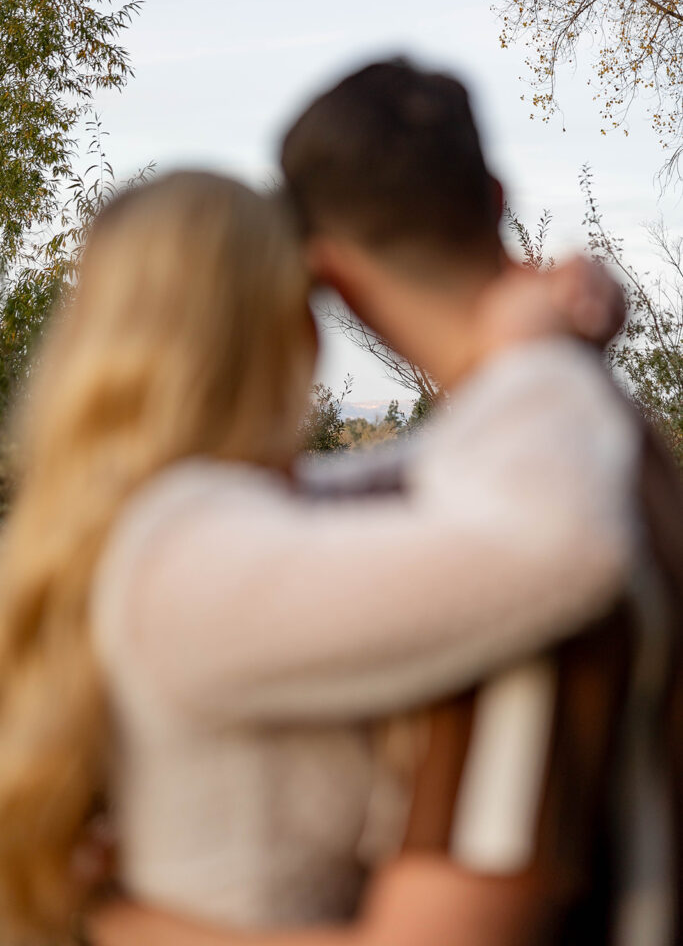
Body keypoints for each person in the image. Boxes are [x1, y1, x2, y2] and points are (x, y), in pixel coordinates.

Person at [87, 58, 680, 946]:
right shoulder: (613, 444)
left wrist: (121, 920)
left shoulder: (489, 543)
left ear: (327, 278)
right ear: (491, 197)